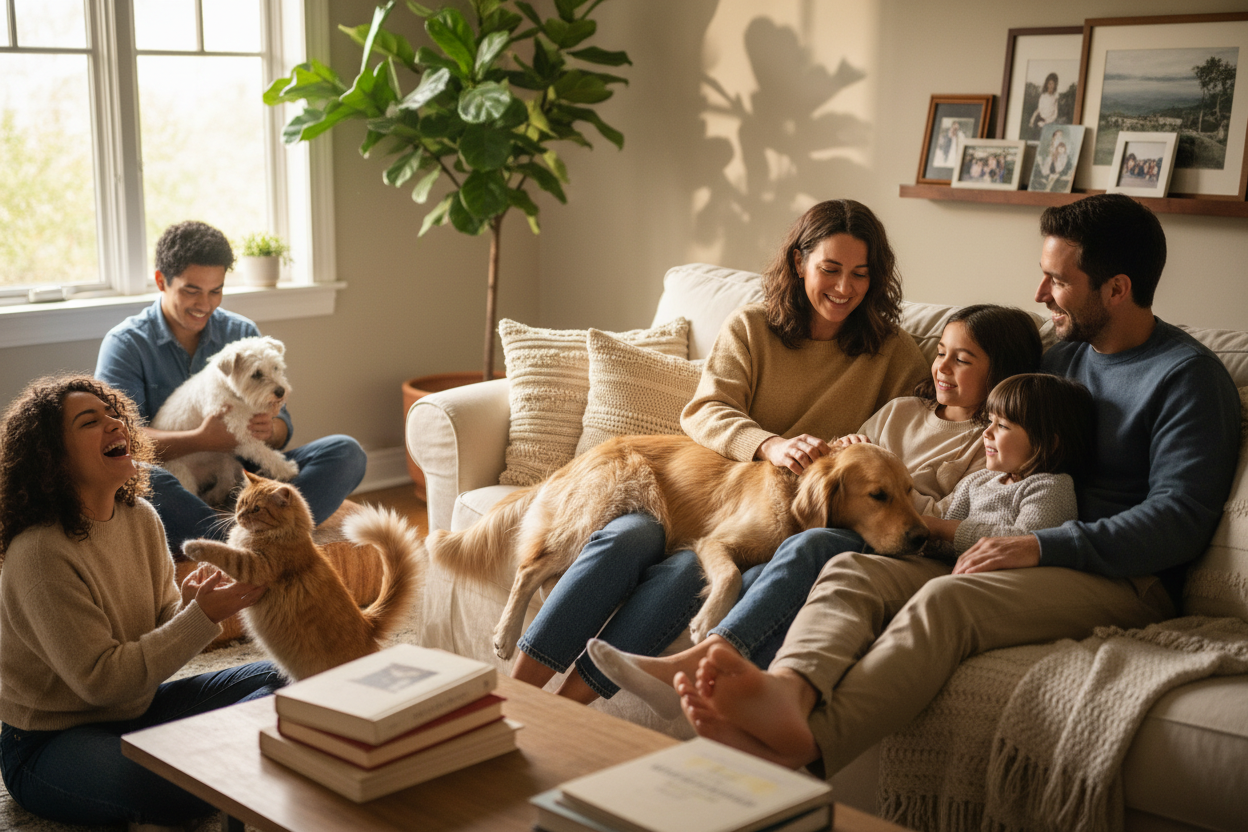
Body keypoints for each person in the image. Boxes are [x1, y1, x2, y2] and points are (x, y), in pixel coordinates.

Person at [652, 193, 1241, 776]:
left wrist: (1041, 545)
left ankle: (806, 746)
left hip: (1118, 576)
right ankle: (786, 690)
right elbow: (961, 425)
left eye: (1056, 281)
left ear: (1116, 288)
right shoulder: (1058, 360)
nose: (1039, 295)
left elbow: (1178, 520)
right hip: (1016, 544)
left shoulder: (1187, 380)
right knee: (851, 570)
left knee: (947, 601)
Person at [509, 200, 931, 704]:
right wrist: (768, 445)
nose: (844, 289)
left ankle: (566, 708)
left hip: (786, 510)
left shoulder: (894, 352)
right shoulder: (753, 328)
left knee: (685, 572)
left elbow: (910, 430)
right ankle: (515, 696)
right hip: (705, 486)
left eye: (861, 274)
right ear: (800, 264)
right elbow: (706, 410)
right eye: (830, 269)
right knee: (620, 541)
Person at [588, 306, 1045, 717]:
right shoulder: (902, 410)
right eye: (940, 353)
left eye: (962, 360)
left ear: (1001, 373)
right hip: (849, 515)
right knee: (718, 565)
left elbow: (959, 514)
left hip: (893, 540)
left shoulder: (991, 441)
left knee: (808, 544)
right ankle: (702, 681)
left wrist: (894, 497)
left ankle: (703, 671)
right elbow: (850, 458)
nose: (941, 367)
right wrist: (846, 450)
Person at [0, 375, 283, 828]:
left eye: (114, 414)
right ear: (52, 457)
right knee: (174, 791)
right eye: (91, 421)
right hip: (51, 740)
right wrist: (201, 618)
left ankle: (215, 756)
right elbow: (103, 681)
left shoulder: (141, 516)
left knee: (292, 677)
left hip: (140, 709)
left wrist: (191, 606)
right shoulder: (39, 553)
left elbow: (159, 624)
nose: (115, 424)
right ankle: (221, 760)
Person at [95, 221, 366, 555]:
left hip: (242, 472)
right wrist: (200, 440)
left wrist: (269, 430)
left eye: (216, 291)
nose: (205, 305)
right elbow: (120, 442)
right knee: (145, 480)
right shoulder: (126, 345)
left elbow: (284, 427)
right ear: (161, 281)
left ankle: (235, 538)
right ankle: (246, 544)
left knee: (345, 452)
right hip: (176, 474)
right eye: (192, 290)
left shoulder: (240, 332)